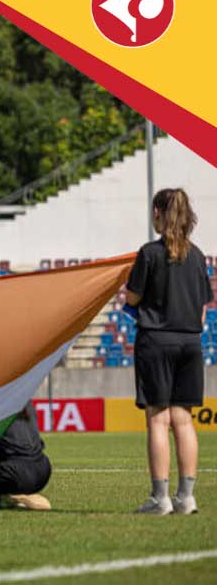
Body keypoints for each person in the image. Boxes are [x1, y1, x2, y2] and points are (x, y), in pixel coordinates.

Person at [126, 188, 212, 515]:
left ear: (160, 214)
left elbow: (132, 299)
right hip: (190, 343)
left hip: (156, 342)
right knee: (184, 421)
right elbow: (203, 308)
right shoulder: (199, 255)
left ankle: (159, 498)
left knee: (158, 420)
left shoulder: (149, 253)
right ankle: (186, 497)